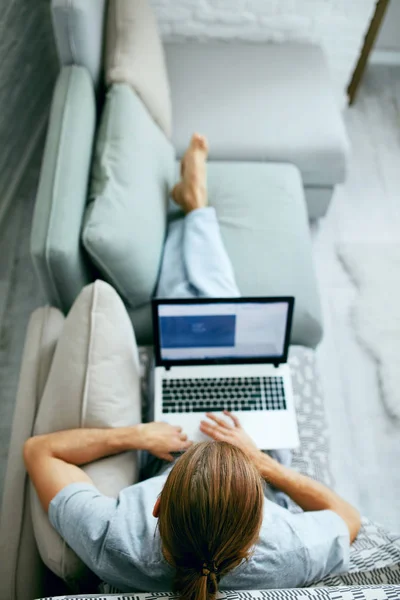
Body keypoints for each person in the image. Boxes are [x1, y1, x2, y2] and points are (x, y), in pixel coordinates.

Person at [24, 134, 361, 600]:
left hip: (195, 462)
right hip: (255, 463)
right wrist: (261, 462)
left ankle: (194, 207)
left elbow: (39, 451)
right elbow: (349, 520)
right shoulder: (289, 551)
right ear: (257, 532)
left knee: (203, 310)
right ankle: (195, 207)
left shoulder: (116, 540)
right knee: (215, 310)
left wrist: (135, 436)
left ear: (158, 505)